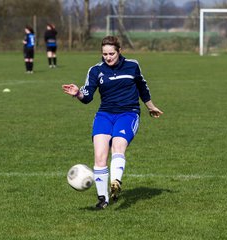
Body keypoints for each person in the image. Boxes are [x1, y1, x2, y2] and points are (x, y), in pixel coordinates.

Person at [62, 36, 163, 210]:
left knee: (118, 146)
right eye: (104, 54)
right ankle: (103, 200)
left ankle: (115, 181)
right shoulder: (96, 70)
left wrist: (150, 107)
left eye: (111, 54)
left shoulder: (132, 66)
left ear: (119, 51)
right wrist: (78, 93)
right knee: (100, 157)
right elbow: (87, 97)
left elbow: (142, 88)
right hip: (105, 115)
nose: (108, 57)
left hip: (128, 114)